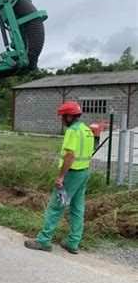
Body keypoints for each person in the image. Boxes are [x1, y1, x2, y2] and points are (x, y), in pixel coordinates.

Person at [25, 101, 94, 254]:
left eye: (63, 116)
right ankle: (73, 242)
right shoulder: (86, 130)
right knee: (77, 208)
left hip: (71, 175)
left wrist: (60, 177)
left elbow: (70, 155)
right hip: (83, 173)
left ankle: (43, 241)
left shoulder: (73, 131)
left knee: (56, 207)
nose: (62, 119)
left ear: (69, 116)